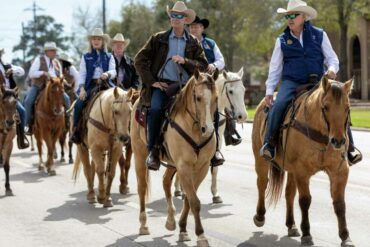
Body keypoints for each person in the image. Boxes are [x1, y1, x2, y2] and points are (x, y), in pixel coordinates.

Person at [260, 0, 362, 165]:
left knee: (339, 103)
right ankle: (270, 144)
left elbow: (332, 59)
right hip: (291, 82)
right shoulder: (282, 40)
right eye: (288, 15)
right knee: (279, 105)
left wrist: (332, 70)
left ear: (304, 17)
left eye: (294, 15)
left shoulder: (319, 34)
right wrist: (269, 92)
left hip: (318, 82)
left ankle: (350, 148)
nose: (290, 18)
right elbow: (275, 69)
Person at [135, 1, 224, 171]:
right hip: (163, 85)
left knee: (212, 105)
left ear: (185, 20)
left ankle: (215, 150)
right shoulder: (158, 39)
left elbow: (203, 65)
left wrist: (185, 61)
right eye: (173, 16)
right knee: (155, 109)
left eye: (179, 16)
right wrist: (152, 81)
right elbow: (140, 60)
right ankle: (153, 151)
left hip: (187, 87)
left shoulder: (193, 42)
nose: (175, 19)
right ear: (170, 19)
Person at [189, 16, 242, 146]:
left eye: (197, 26)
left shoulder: (210, 43)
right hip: (190, 81)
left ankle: (229, 132)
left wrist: (214, 65)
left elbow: (221, 61)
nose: (194, 29)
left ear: (202, 28)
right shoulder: (186, 42)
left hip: (210, 81)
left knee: (222, 105)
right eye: (191, 26)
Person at [71, 28, 116, 144]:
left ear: (103, 41)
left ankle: (125, 131)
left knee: (122, 102)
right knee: (79, 104)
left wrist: (107, 74)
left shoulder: (109, 56)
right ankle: (75, 130)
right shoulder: (86, 57)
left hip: (106, 84)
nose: (96, 41)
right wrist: (81, 88)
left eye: (99, 39)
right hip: (90, 85)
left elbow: (114, 71)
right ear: (91, 42)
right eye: (94, 39)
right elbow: (82, 74)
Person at [24, 42, 71, 134]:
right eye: (52, 50)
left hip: (55, 86)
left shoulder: (56, 62)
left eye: (54, 50)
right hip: (40, 85)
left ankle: (67, 122)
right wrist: (43, 73)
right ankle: (27, 125)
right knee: (28, 101)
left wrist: (62, 79)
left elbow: (60, 74)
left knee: (67, 99)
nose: (54, 52)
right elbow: (31, 73)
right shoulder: (39, 60)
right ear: (46, 51)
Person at [0, 48, 29, 149]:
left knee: (22, 111)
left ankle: (21, 138)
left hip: (9, 94)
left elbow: (22, 71)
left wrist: (13, 70)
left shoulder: (7, 65)